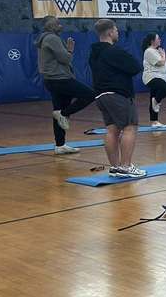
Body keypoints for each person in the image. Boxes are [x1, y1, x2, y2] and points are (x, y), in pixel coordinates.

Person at [89, 19, 145, 177]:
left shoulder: (94, 53)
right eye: (116, 30)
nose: (118, 32)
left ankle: (115, 167)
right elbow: (135, 67)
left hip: (101, 95)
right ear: (109, 32)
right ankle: (126, 166)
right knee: (130, 127)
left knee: (112, 129)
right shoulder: (113, 51)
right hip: (117, 94)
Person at [35, 15, 95, 155]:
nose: (60, 25)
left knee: (58, 110)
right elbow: (65, 59)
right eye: (57, 23)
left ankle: (60, 144)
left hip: (52, 80)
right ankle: (63, 114)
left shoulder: (45, 38)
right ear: (49, 26)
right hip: (59, 79)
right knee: (90, 95)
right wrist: (70, 49)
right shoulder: (52, 38)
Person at [141, 33, 166, 127]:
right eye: (158, 38)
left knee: (153, 97)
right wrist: (163, 55)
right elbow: (160, 62)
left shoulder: (157, 50)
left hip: (160, 76)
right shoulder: (149, 51)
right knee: (165, 89)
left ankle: (154, 121)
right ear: (152, 41)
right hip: (151, 77)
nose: (160, 40)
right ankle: (156, 101)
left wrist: (163, 56)